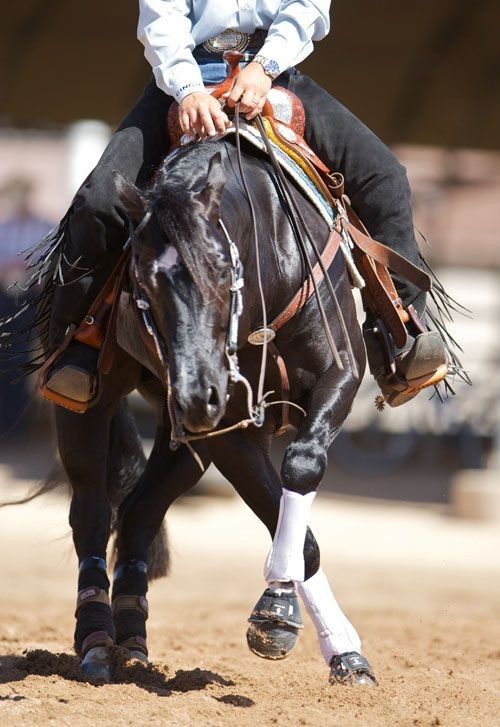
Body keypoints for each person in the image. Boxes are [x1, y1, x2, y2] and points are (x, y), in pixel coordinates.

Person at [43, 0, 446, 407]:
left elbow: (307, 8)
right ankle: (79, 342)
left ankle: (399, 333)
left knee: (385, 177)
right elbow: (160, 19)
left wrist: (264, 67)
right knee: (99, 200)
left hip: (277, 74)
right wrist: (187, 91)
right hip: (185, 76)